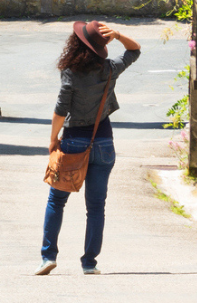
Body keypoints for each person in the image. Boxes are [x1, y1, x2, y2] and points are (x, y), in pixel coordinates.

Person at [38, 20, 141, 276]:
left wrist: (53, 139)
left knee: (56, 201)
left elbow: (61, 109)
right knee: (96, 207)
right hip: (103, 142)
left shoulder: (70, 72)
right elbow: (135, 50)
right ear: (101, 46)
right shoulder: (110, 68)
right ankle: (89, 263)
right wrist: (117, 35)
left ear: (76, 44)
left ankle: (48, 257)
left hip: (73, 142)